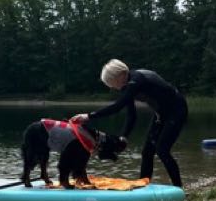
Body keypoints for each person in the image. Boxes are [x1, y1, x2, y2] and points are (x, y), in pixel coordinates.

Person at [71, 59, 187, 188]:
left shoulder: (137, 80)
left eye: (110, 82)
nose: (111, 87)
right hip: (161, 114)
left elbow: (118, 106)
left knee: (162, 150)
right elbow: (131, 115)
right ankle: (143, 186)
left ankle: (178, 188)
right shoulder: (128, 85)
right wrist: (124, 137)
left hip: (177, 111)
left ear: (120, 75)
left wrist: (89, 116)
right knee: (147, 152)